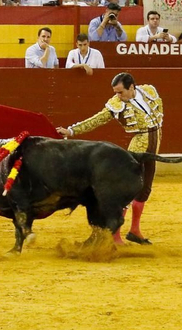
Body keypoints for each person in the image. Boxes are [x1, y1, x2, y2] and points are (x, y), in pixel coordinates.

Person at [60, 72, 164, 244]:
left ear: (132, 87)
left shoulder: (148, 91)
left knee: (145, 190)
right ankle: (115, 234)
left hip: (154, 146)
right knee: (127, 191)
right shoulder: (116, 105)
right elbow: (97, 119)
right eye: (115, 92)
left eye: (120, 92)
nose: (117, 95)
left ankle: (135, 230)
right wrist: (71, 131)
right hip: (137, 149)